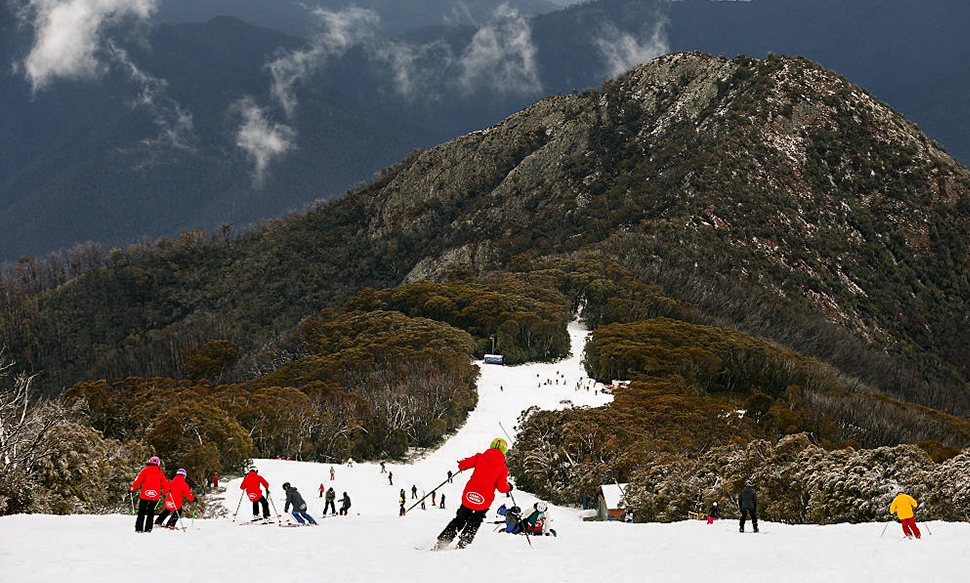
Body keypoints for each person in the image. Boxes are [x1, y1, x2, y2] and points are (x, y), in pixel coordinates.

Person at [433, 437, 512, 550]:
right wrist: (509, 487)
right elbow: (501, 488)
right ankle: (463, 543)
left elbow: (462, 465)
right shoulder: (503, 468)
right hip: (484, 500)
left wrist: (461, 463)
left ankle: (443, 542)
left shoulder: (480, 457)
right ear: (504, 451)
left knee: (460, 518)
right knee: (475, 520)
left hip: (469, 495)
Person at [129, 456, 168, 533]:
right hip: (155, 496)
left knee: (141, 512)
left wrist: (132, 489)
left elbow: (138, 480)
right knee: (151, 512)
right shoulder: (160, 473)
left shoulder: (145, 471)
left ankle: (139, 528)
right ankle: (148, 529)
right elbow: (165, 484)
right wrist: (166, 491)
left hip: (144, 495)